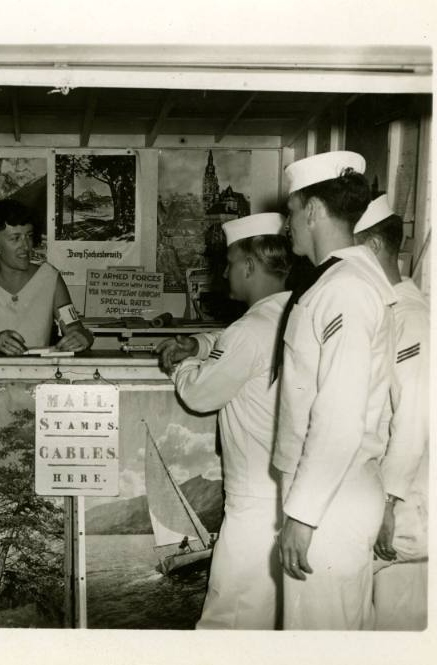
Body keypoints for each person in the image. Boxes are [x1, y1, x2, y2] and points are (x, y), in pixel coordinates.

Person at [272, 151, 397, 630]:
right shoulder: (336, 280)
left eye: (291, 212)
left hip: (330, 499)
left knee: (320, 641)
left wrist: (303, 516)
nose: (289, 226)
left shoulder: (344, 289)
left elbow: (339, 417)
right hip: (332, 491)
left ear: (312, 210)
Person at [157, 213, 292, 630]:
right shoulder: (294, 313)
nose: (224, 272)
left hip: (252, 505)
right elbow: (230, 343)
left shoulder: (248, 330)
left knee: (226, 624)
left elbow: (199, 394)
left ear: (249, 267)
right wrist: (198, 343)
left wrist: (179, 364)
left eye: (230, 262)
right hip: (286, 496)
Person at [353, 195, 429, 630]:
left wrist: (388, 503)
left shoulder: (411, 320)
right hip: (392, 508)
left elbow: (414, 417)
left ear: (375, 249)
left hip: (405, 514)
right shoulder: (388, 313)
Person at [0, 199, 92, 355]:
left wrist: (84, 337)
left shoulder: (50, 278)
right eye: (15, 238)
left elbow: (75, 329)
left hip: (37, 374)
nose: (26, 246)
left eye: (28, 236)